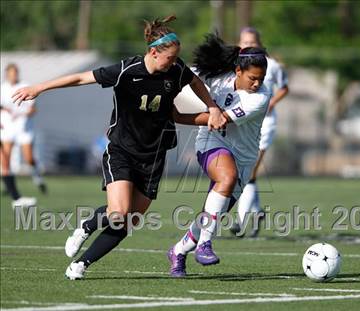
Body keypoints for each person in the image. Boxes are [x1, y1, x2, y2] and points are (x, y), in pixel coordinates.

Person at [12, 15, 226, 280]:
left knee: (128, 222)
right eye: (169, 58)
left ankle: (81, 264)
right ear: (153, 52)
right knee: (119, 213)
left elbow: (194, 82)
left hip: (154, 156)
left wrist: (214, 108)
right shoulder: (127, 70)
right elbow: (81, 78)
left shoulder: (176, 69)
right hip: (122, 151)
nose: (174, 63)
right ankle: (87, 225)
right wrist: (40, 88)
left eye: (175, 58)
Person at [168, 33, 271, 277]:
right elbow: (186, 74)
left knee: (211, 215)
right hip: (210, 142)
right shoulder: (218, 78)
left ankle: (178, 251)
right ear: (237, 71)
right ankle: (204, 245)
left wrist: (177, 117)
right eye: (253, 78)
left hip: (244, 158)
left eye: (261, 79)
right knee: (227, 178)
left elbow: (219, 119)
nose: (258, 83)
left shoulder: (260, 98)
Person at [231, 27, 289, 237]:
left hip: (265, 123)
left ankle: (240, 220)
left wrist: (270, 103)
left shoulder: (272, 66)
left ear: (259, 44)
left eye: (252, 42)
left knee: (250, 172)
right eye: (244, 42)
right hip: (242, 123)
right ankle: (256, 212)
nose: (247, 45)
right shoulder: (235, 66)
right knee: (241, 171)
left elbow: (284, 87)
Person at [1, 63, 45, 209]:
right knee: (5, 160)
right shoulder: (3, 88)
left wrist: (20, 113)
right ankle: (14, 196)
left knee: (29, 159)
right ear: (7, 74)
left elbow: (33, 110)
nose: (13, 75)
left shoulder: (25, 86)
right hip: (7, 128)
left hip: (24, 128)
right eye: (11, 73)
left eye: (15, 72)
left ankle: (37, 177)